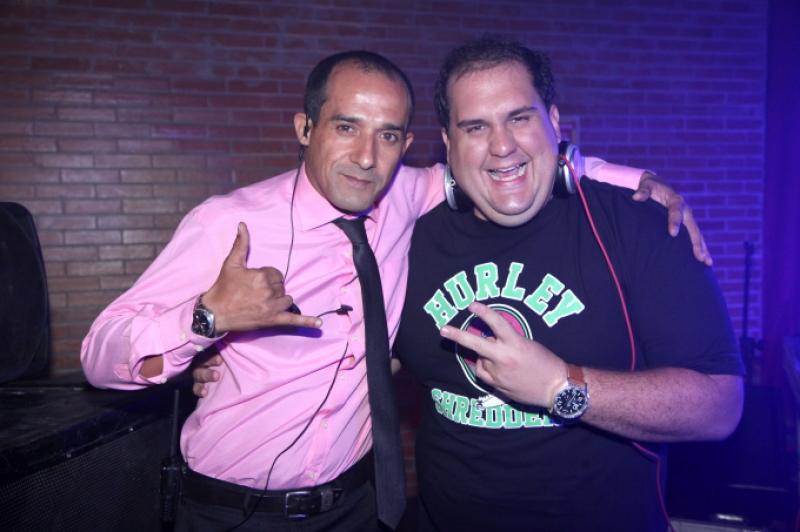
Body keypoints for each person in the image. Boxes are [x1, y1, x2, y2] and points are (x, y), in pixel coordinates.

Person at [82, 49, 706, 531]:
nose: (365, 156)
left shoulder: (406, 196)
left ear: (406, 146)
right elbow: (99, 354)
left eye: (387, 135)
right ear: (305, 127)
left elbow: (509, 161)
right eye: (346, 127)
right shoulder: (229, 223)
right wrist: (206, 321)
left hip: (360, 507)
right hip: (234, 511)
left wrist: (639, 179)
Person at [393, 38, 744, 531]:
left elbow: (719, 406)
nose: (502, 146)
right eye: (476, 127)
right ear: (449, 144)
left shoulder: (639, 225)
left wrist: (561, 386)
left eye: (519, 118)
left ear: (554, 123)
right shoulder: (408, 240)